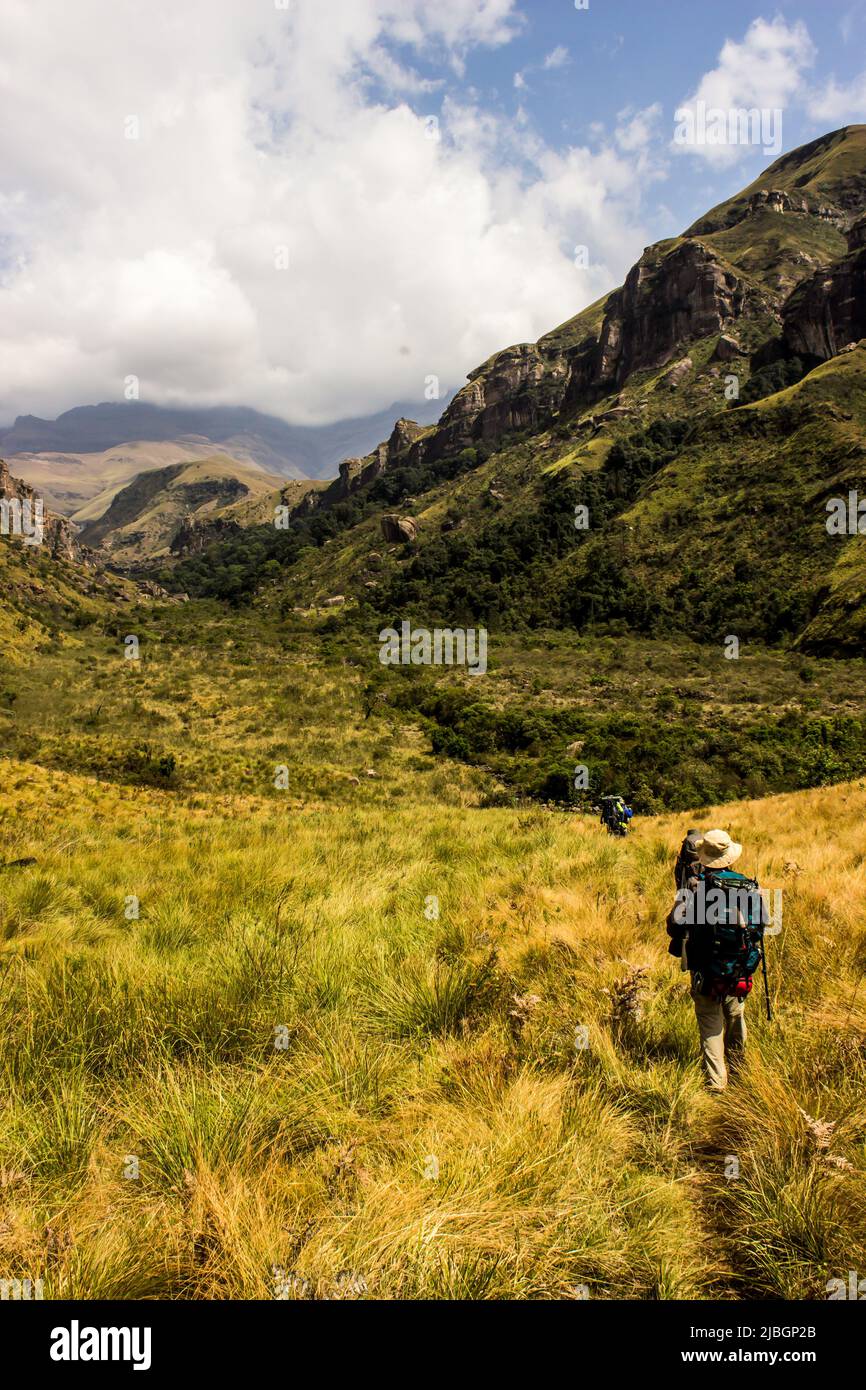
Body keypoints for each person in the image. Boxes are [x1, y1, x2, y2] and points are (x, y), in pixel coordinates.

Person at [666, 828, 769, 1092]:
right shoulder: (749, 886)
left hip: (705, 972)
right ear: (730, 858)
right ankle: (740, 1072)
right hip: (739, 969)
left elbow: (673, 928)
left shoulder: (693, 889)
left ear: (704, 857)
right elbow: (762, 926)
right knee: (735, 1017)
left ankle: (716, 1086)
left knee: (711, 1025)